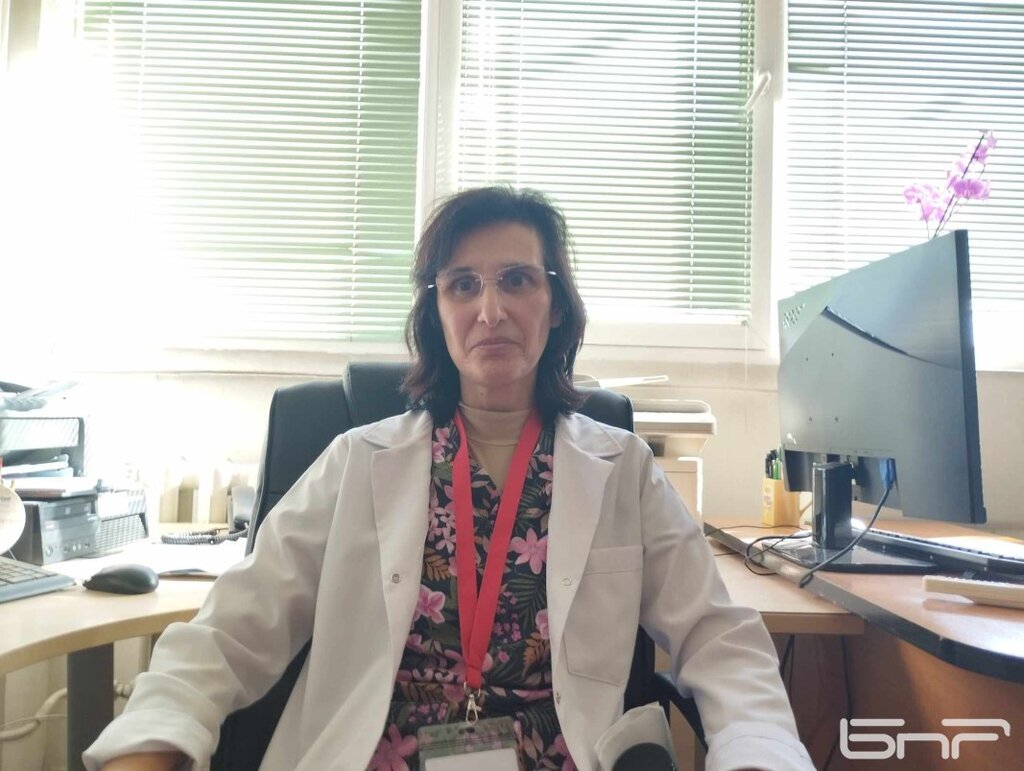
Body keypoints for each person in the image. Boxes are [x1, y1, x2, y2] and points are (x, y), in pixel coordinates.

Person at [85, 186, 815, 771]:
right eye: (463, 285)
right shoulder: (358, 460)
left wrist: (755, 751)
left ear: (556, 304)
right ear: (436, 313)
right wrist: (152, 740)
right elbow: (230, 632)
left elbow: (718, 638)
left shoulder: (622, 468)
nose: (490, 310)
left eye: (517, 280)